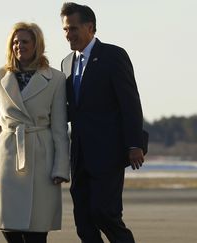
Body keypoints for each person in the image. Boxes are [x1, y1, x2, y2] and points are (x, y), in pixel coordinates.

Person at [60, 3, 146, 243]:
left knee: (105, 214)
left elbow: (130, 102)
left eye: (74, 28)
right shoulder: (66, 63)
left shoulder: (113, 56)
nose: (69, 34)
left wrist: (134, 144)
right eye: (65, 30)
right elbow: (71, 110)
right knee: (83, 222)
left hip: (108, 153)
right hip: (79, 155)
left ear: (90, 27)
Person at [0, 22, 70, 243]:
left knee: (38, 229)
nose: (19, 46)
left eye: (25, 41)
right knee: (8, 225)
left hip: (41, 155)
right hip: (8, 154)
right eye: (15, 42)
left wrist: (61, 167)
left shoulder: (55, 78)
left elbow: (59, 128)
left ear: (36, 44)